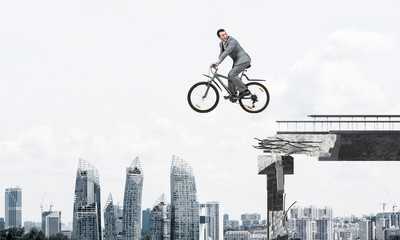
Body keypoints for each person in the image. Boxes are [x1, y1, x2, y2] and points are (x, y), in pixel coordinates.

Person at [210, 29, 251, 99]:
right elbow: (221, 54)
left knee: (232, 74)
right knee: (230, 76)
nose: (225, 36)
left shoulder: (232, 41)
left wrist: (217, 61)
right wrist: (217, 63)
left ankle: (245, 90)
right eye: (223, 35)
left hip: (243, 60)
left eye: (226, 34)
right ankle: (233, 95)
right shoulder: (221, 44)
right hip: (237, 61)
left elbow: (227, 52)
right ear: (219, 38)